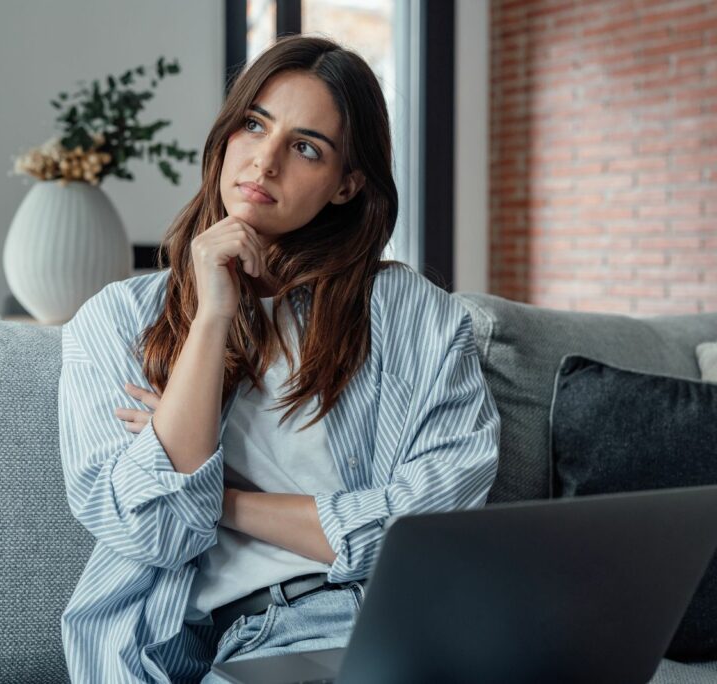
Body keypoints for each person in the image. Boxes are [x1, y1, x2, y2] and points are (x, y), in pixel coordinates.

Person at [57, 34, 501, 684]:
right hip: (229, 642)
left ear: (347, 184)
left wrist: (227, 499)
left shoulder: (413, 315)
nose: (264, 162)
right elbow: (152, 529)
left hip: (387, 626)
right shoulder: (117, 322)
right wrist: (211, 316)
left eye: (304, 147)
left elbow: (428, 532)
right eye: (254, 124)